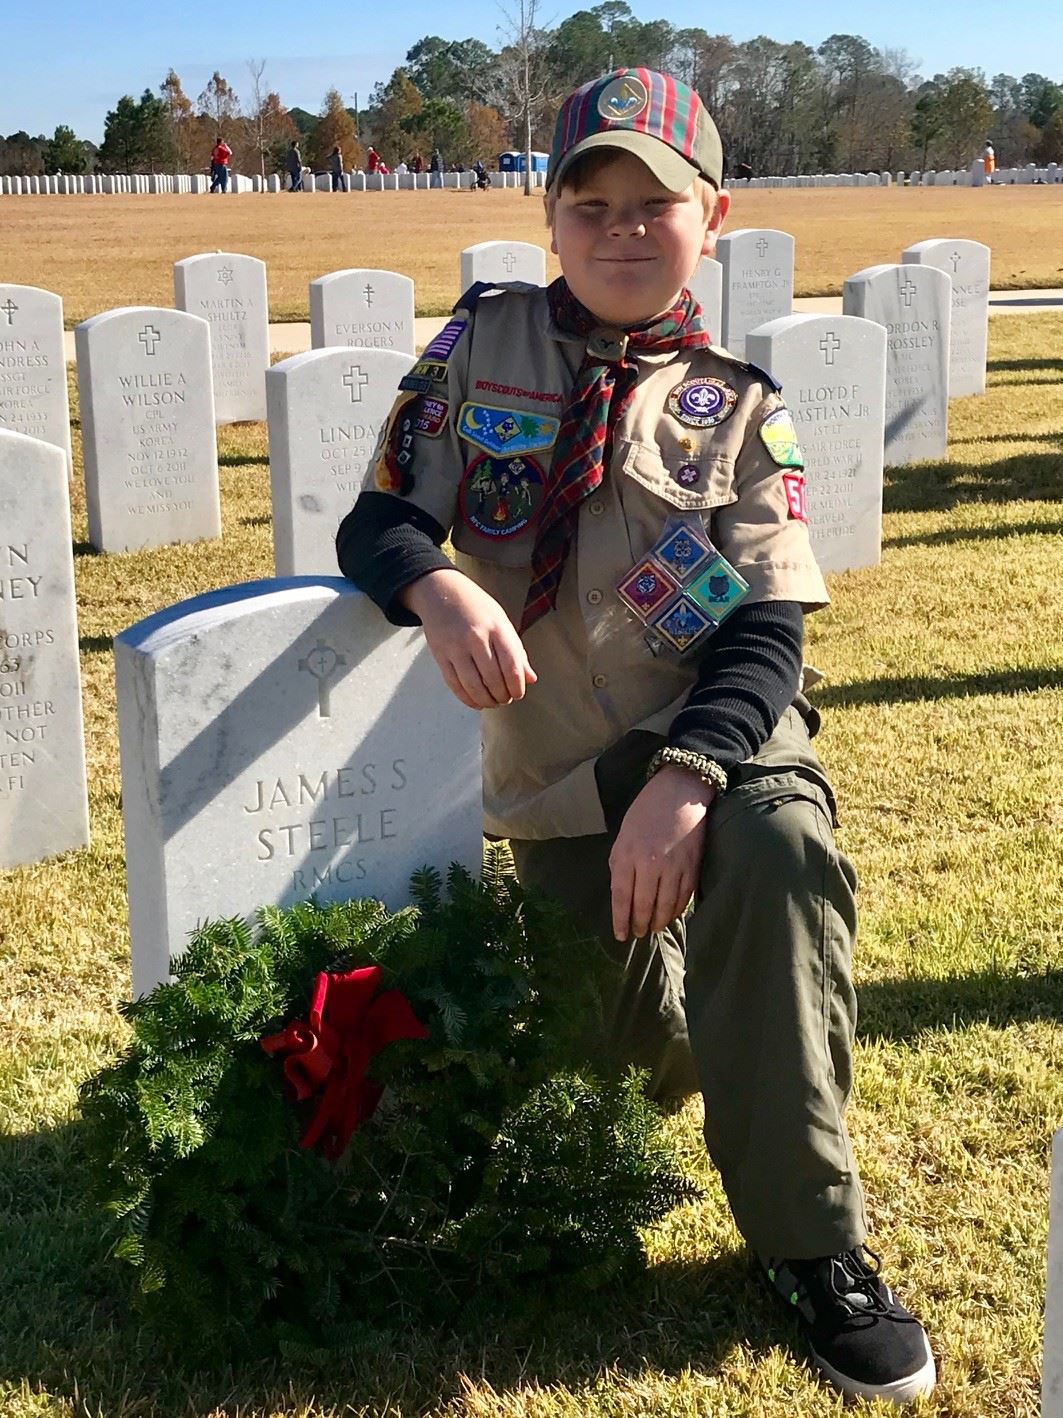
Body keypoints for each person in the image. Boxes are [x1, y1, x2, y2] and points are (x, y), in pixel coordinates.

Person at [336, 68, 936, 1408]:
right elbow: (375, 519)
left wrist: (689, 776)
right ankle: (715, 1033)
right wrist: (431, 583)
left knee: (771, 856)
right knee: (612, 1072)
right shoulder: (474, 351)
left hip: (711, 732)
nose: (620, 230)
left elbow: (767, 629)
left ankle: (808, 1239)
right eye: (589, 202)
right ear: (550, 218)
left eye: (652, 205)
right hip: (551, 780)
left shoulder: (738, 405)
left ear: (709, 217)